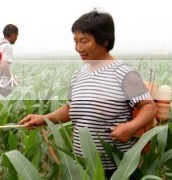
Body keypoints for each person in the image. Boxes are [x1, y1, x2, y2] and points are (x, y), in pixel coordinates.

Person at [19, 10, 157, 179]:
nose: (78, 48)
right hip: (84, 167)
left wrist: (130, 128)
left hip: (118, 168)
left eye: (84, 41)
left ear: (105, 40)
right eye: (76, 42)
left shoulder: (123, 73)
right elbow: (71, 108)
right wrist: (44, 118)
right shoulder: (79, 75)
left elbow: (149, 106)